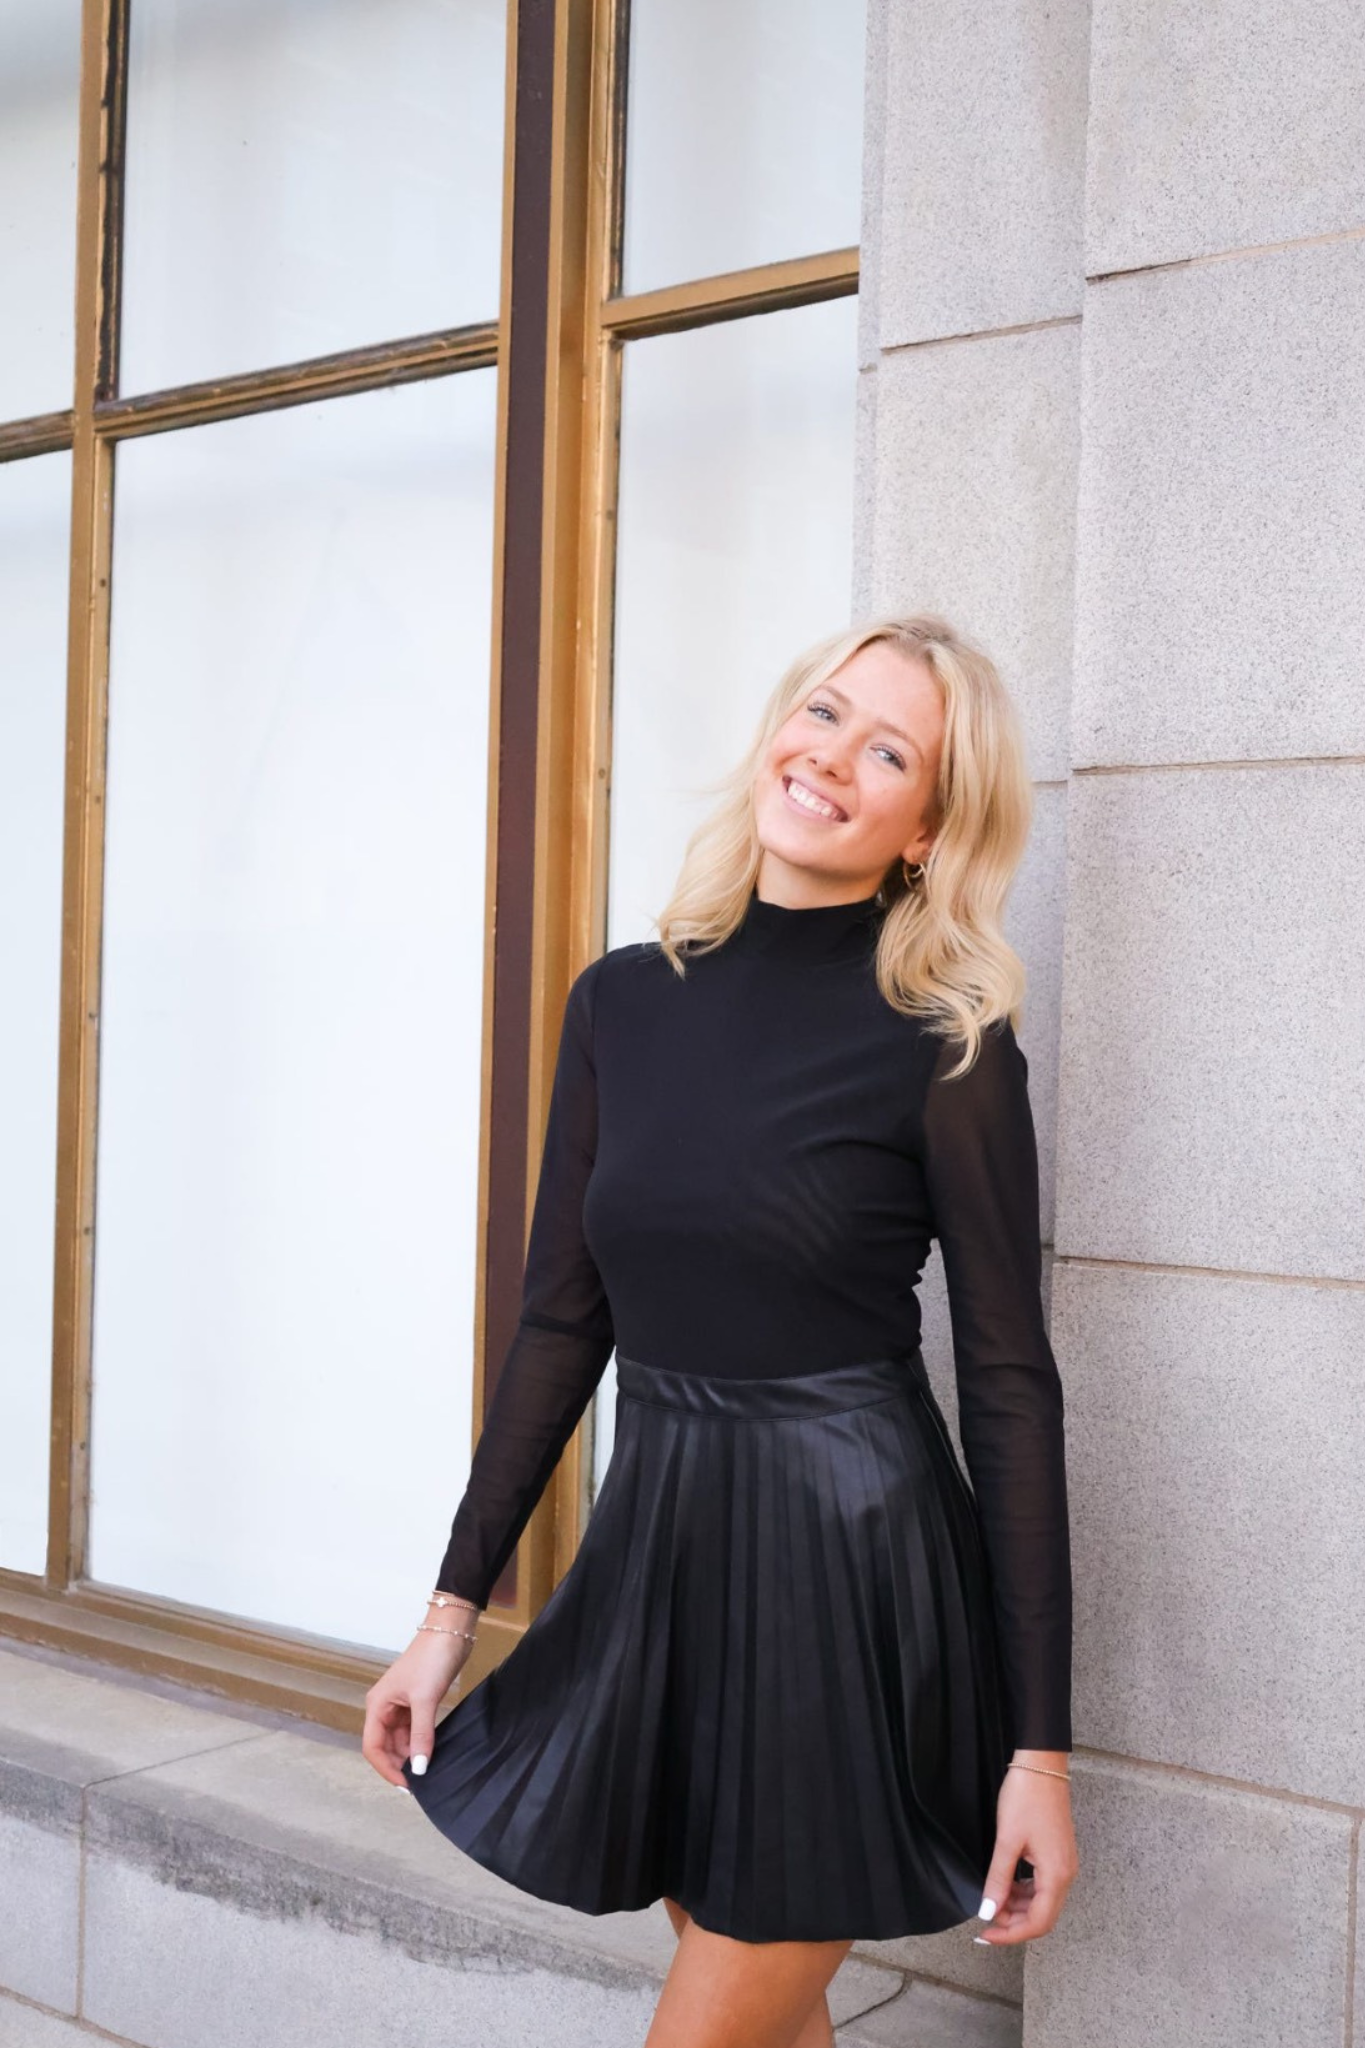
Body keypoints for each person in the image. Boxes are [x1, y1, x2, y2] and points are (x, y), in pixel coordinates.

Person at [362, 613, 1080, 2048]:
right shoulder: (624, 1003)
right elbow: (560, 1325)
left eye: (891, 752)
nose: (833, 757)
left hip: (848, 1573)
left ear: (928, 831)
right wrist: (449, 1618)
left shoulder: (946, 1041)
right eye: (823, 713)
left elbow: (1011, 1389)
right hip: (669, 1550)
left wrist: (1040, 1755)